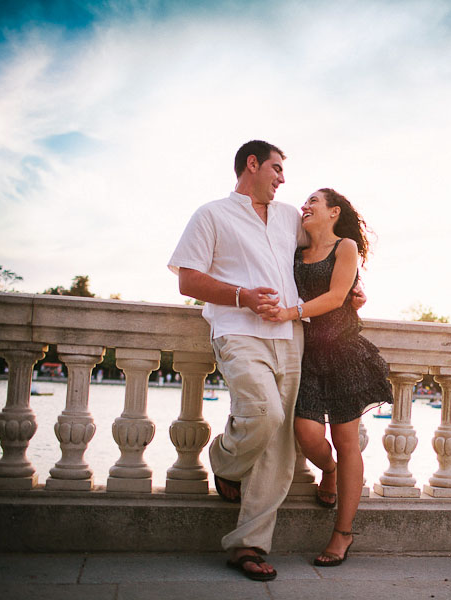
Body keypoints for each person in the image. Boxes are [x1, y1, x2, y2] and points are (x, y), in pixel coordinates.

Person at [167, 141, 364, 581]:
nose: (282, 179)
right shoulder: (211, 214)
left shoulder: (290, 216)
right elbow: (187, 278)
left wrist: (351, 289)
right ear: (251, 165)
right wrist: (242, 297)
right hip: (238, 332)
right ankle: (225, 462)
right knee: (264, 413)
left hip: (291, 336)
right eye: (276, 168)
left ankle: (248, 545)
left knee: (279, 442)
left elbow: (326, 247)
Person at [265, 188, 393, 567]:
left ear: (333, 211)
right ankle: (330, 471)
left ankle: (343, 533)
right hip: (306, 354)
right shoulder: (295, 253)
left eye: (313, 202)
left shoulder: (345, 246)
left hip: (342, 353)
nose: (305, 206)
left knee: (346, 439)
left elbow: (338, 296)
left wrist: (291, 312)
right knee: (306, 433)